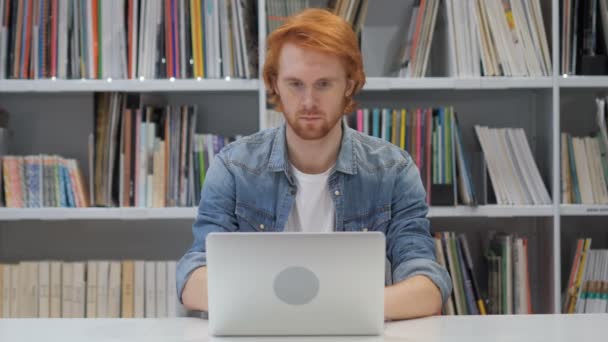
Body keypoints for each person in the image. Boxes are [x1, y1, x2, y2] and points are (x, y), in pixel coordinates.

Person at [176, 8, 451, 320]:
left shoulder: (394, 171)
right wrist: (298, 307)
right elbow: (192, 276)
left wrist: (322, 309)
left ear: (348, 85)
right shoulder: (233, 168)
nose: (308, 102)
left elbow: (428, 285)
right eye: (295, 84)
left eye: (323, 84)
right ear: (274, 84)